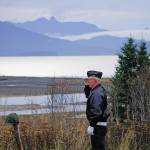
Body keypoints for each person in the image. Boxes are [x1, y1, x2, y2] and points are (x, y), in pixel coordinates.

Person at [84, 71, 110, 150]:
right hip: (99, 126)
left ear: (95, 80)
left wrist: (92, 125)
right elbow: (88, 95)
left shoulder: (96, 93)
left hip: (97, 126)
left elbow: (96, 112)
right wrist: (87, 86)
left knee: (98, 148)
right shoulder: (98, 89)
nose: (87, 81)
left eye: (89, 80)